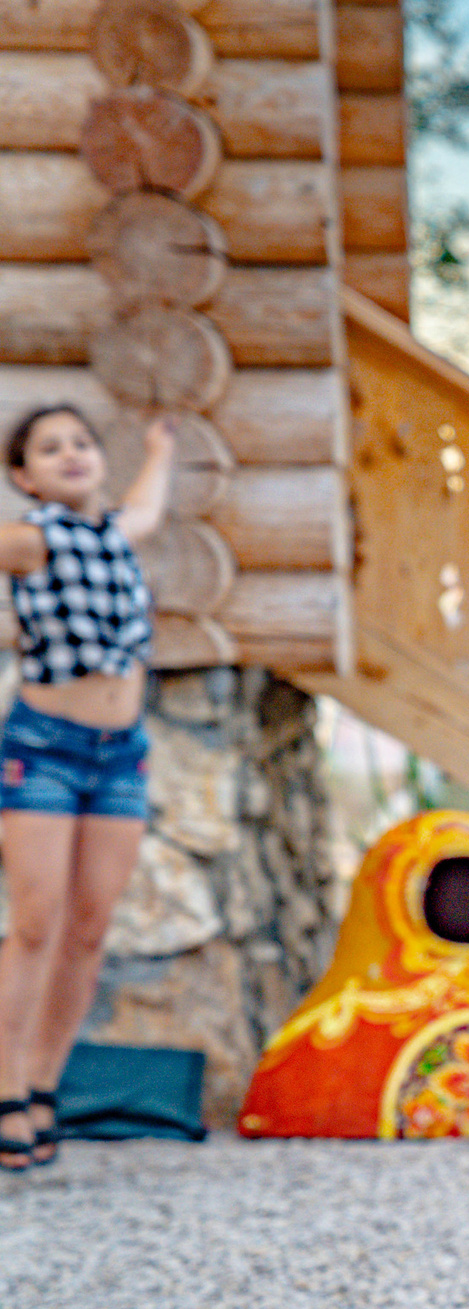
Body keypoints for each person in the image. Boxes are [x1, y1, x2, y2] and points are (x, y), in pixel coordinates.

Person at [1, 406, 173, 1173]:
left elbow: (150, 504)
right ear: (22, 476)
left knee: (90, 927)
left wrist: (162, 443)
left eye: (81, 442)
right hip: (44, 752)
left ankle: (42, 1082)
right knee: (36, 922)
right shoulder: (31, 538)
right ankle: (4, 1086)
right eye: (50, 447)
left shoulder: (117, 532)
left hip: (121, 755)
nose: (71, 454)